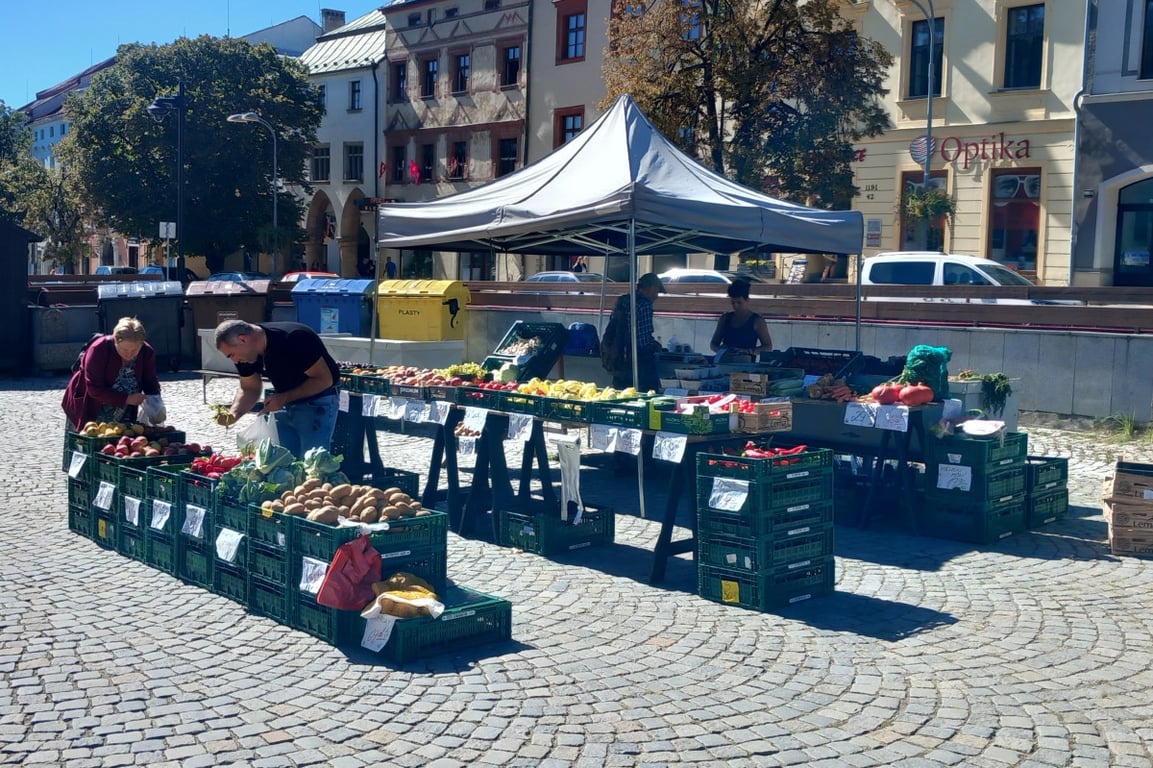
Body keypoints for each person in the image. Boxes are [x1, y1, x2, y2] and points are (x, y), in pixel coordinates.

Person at [213, 320, 341, 458]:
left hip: (317, 402)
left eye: (231, 354)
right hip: (284, 403)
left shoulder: (294, 338)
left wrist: (284, 398)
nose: (234, 361)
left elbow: (324, 380)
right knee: (284, 462)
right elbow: (249, 388)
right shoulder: (246, 354)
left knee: (312, 461)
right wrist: (233, 414)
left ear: (243, 339)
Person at [61, 317, 161, 430]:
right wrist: (127, 399)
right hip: (90, 406)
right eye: (124, 350)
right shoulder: (99, 349)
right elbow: (94, 388)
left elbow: (150, 381)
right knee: (88, 436)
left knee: (123, 437)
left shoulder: (146, 352)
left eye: (134, 350)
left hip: (124, 411)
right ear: (116, 341)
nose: (129, 354)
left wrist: (155, 403)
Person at [609, 272, 664, 393]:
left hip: (619, 356)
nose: (657, 296)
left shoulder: (622, 301)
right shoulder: (644, 305)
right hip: (639, 362)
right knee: (646, 394)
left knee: (621, 394)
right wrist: (655, 346)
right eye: (657, 291)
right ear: (651, 288)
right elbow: (643, 340)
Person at [710, 279, 773, 362]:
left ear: (747, 300)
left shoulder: (757, 320)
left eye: (739, 302)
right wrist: (721, 351)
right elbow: (713, 344)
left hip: (746, 364)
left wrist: (748, 351)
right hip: (724, 362)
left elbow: (768, 346)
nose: (736, 306)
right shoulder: (725, 318)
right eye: (733, 303)